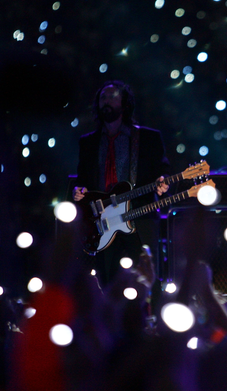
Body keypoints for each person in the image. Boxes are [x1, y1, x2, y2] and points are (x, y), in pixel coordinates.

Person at [72, 80, 172, 289]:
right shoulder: (88, 142)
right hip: (102, 219)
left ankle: (149, 319)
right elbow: (82, 177)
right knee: (106, 278)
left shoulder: (147, 138)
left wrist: (162, 181)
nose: (106, 101)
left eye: (112, 96)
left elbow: (162, 169)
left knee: (147, 275)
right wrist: (79, 190)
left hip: (138, 213)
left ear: (125, 103)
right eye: (102, 98)